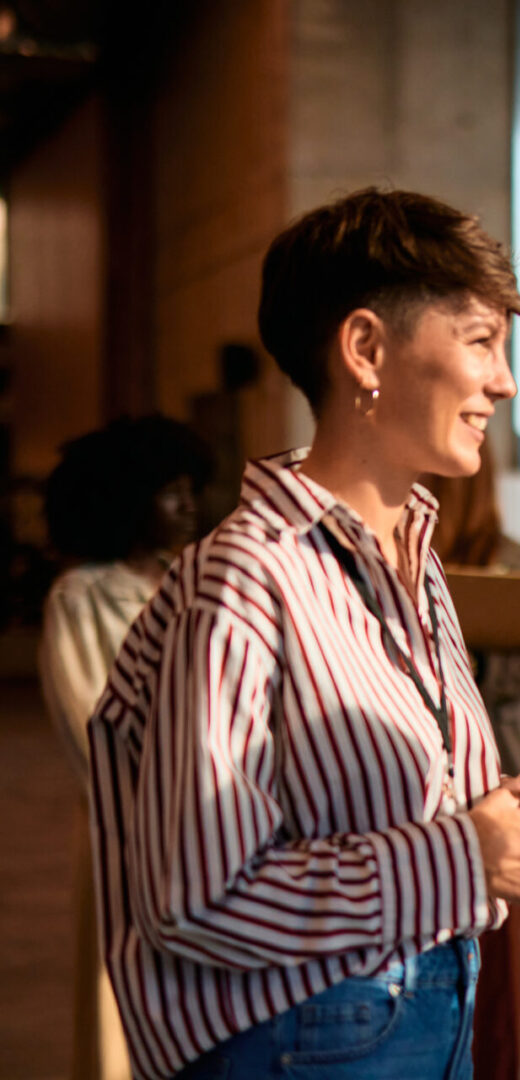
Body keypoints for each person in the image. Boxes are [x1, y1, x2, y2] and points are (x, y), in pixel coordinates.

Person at [85, 188, 520, 1080]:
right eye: (481, 342)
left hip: (425, 1008)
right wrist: (463, 853)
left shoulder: (409, 559)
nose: (505, 380)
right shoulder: (246, 578)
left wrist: (511, 828)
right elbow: (195, 897)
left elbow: (372, 815)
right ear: (366, 349)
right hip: (309, 1039)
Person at [39, 414, 212, 1080]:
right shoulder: (81, 598)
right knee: (124, 1012)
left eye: (192, 488)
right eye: (171, 492)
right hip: (131, 826)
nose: (190, 505)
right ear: (128, 499)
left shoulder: (195, 578)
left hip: (210, 830)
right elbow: (92, 725)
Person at [421, 445, 520, 1080]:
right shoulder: (392, 553)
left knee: (497, 956)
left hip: (503, 770)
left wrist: (476, 669)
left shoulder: (509, 560)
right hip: (429, 779)